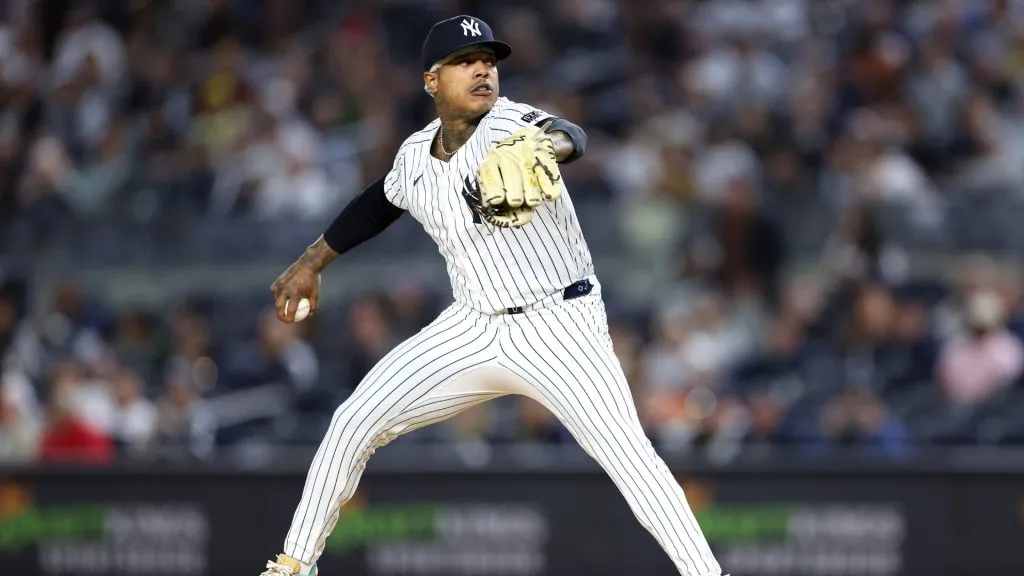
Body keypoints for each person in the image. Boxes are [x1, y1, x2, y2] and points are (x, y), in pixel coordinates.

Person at [261, 15, 724, 576]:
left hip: (560, 324)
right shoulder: (413, 156)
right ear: (431, 81)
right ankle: (292, 566)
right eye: (464, 60)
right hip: (473, 325)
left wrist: (548, 148)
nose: (482, 68)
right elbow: (377, 204)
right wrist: (312, 262)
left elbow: (569, 135)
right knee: (352, 422)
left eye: (488, 59)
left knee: (632, 462)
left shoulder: (514, 124)